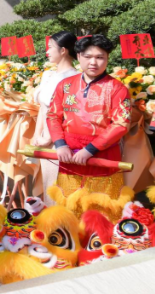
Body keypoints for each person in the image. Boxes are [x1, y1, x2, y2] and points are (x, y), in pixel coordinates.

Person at [48, 34, 131, 202]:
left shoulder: (117, 88)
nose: (93, 62)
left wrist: (90, 150)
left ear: (107, 58)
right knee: (69, 204)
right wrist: (60, 144)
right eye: (88, 57)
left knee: (102, 207)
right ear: (79, 56)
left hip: (103, 155)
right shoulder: (65, 85)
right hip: (69, 155)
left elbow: (121, 124)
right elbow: (53, 115)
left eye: (100, 57)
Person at [32, 31, 80, 204]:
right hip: (45, 136)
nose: (47, 51)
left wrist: (49, 138)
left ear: (63, 50)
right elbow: (43, 108)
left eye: (50, 47)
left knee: (59, 188)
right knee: (48, 185)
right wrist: (37, 134)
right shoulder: (48, 75)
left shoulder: (74, 78)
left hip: (60, 140)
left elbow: (66, 114)